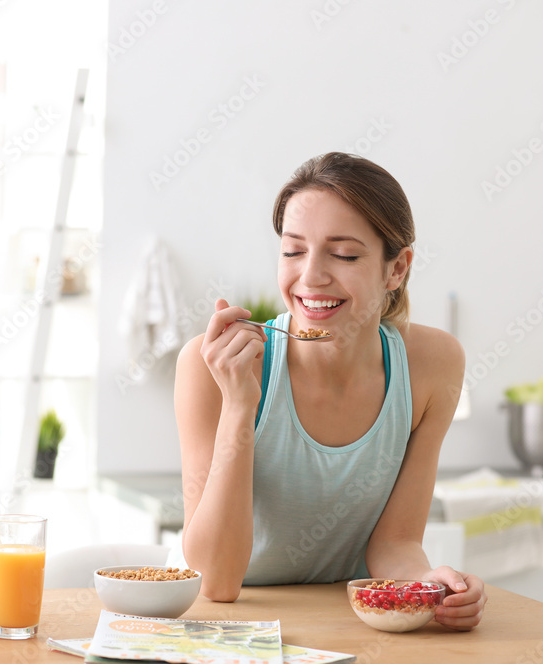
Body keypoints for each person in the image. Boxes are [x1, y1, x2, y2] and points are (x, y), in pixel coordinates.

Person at [168, 152, 486, 630]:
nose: (311, 276)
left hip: (342, 627)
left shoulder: (433, 365)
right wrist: (239, 405)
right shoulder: (208, 365)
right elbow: (216, 581)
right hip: (221, 628)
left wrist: (429, 583)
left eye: (344, 254)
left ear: (396, 268)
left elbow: (395, 542)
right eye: (293, 251)